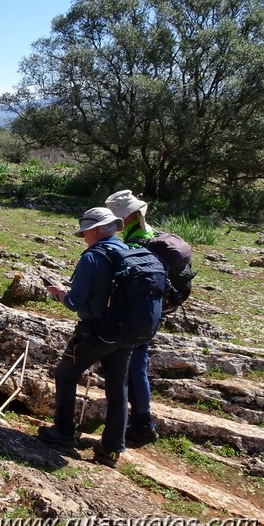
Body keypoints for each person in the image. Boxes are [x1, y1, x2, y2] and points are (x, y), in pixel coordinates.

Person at [38, 207, 133, 467]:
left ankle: (63, 432)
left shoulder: (92, 258)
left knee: (65, 375)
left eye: (84, 234)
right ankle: (112, 450)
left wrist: (58, 293)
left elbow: (74, 302)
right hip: (129, 332)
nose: (83, 238)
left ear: (93, 230)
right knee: (118, 389)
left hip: (98, 331)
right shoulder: (129, 252)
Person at [104, 189, 159, 446]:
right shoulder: (149, 234)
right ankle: (142, 423)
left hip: (135, 312)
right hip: (148, 310)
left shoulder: (138, 242)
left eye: (120, 217)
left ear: (134, 215)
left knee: (132, 368)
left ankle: (140, 424)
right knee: (138, 367)